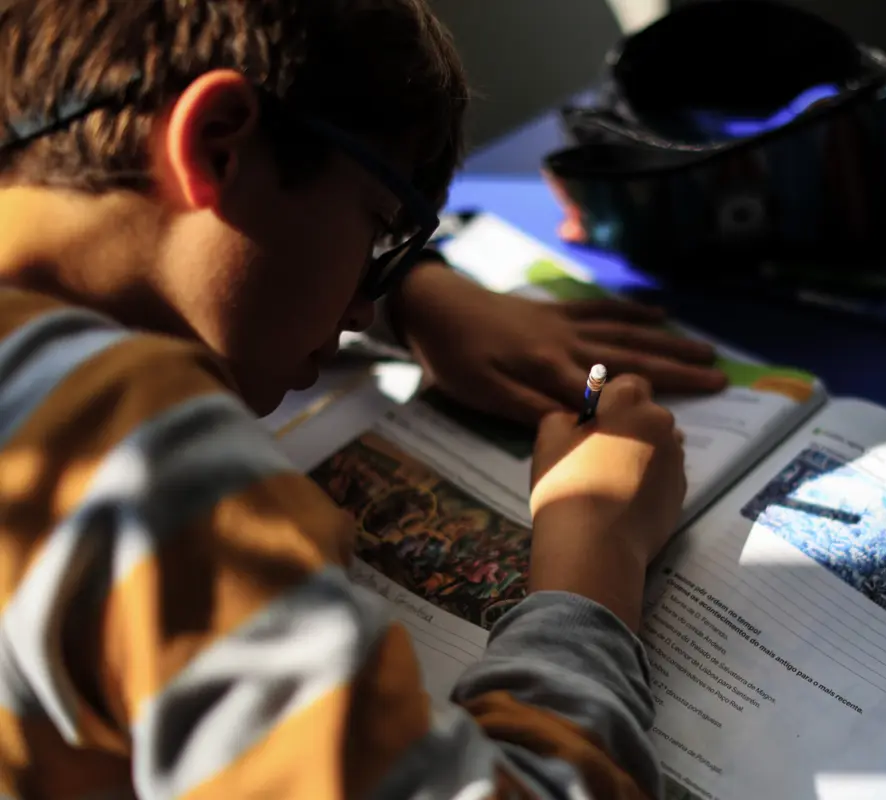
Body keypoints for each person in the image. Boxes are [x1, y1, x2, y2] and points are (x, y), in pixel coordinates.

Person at [0, 1, 702, 796]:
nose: (363, 311)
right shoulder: (127, 454)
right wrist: (594, 561)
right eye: (378, 233)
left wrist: (419, 296)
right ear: (217, 143)